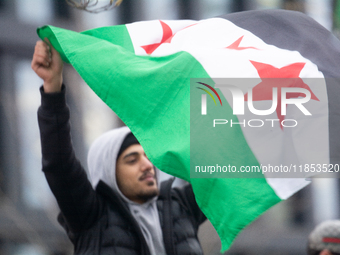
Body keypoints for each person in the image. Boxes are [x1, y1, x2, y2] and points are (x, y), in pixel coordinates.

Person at [31, 39, 206, 255]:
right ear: (108, 173)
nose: (147, 165)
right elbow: (59, 164)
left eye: (148, 156)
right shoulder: (91, 215)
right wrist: (52, 88)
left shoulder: (181, 207)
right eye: (132, 160)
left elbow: (223, 160)